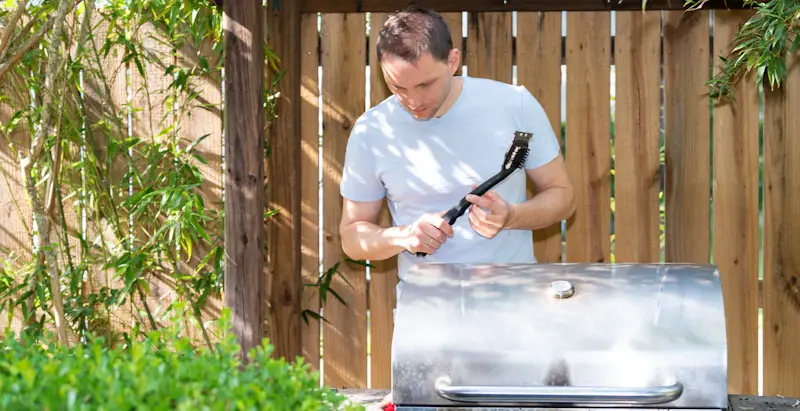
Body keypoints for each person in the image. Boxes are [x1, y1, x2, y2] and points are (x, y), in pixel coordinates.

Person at [339, 6, 575, 295]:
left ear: (453, 61)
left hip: (514, 297)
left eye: (425, 84)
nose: (413, 100)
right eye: (397, 86)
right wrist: (403, 236)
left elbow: (563, 196)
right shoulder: (373, 131)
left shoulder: (514, 105)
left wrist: (512, 216)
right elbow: (352, 236)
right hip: (425, 307)